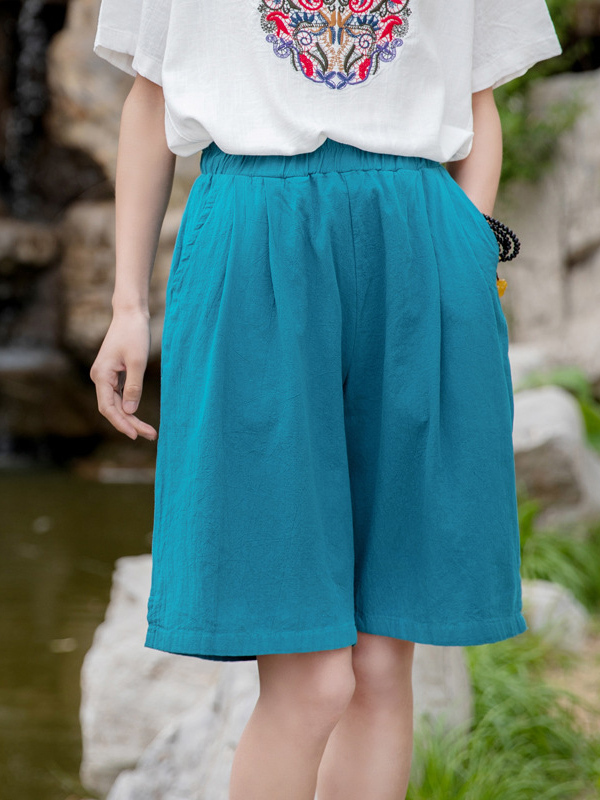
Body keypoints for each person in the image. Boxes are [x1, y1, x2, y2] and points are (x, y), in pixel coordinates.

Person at [89, 1, 563, 797]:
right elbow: (150, 93)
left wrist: (468, 248)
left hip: (419, 242)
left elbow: (476, 93)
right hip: (253, 237)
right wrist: (128, 307)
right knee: (312, 682)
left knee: (379, 667)